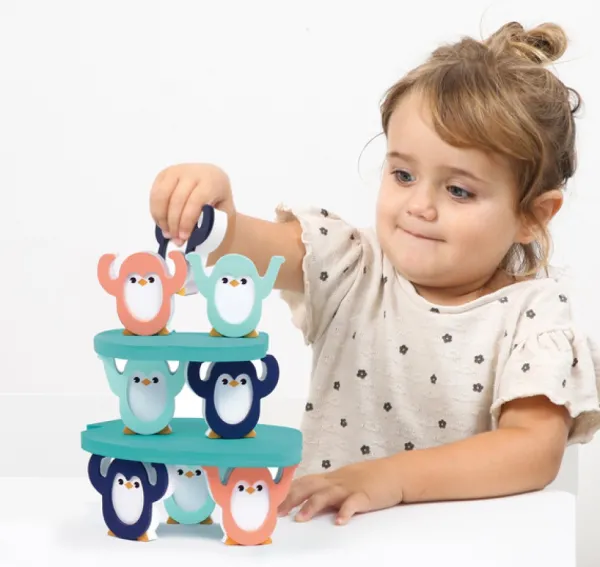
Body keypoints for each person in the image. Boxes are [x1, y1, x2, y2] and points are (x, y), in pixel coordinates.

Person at [149, 21, 600, 526]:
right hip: (331, 542)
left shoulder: (533, 317)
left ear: (532, 216)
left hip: (465, 554)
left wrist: (390, 479)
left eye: (459, 190)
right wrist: (211, 208)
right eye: (403, 174)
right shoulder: (351, 266)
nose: (419, 206)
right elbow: (237, 248)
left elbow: (532, 451)